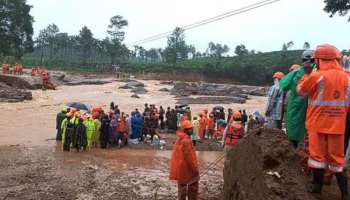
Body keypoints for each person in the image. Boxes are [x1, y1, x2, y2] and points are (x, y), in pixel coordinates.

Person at [297, 44, 350, 199]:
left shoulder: (316, 75)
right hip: (338, 124)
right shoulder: (346, 77)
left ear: (320, 59)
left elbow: (300, 91)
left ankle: (317, 191)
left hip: (317, 123)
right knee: (337, 160)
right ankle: (345, 194)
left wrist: (306, 74)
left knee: (317, 158)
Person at [279, 51, 313, 149]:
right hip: (311, 110)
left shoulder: (295, 73)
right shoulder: (318, 72)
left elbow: (283, 85)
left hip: (295, 108)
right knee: (307, 137)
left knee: (293, 135)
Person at [170, 120, 199, 200]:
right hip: (187, 169)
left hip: (180, 168)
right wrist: (196, 169)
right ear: (185, 130)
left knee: (182, 188)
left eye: (192, 128)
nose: (192, 130)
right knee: (193, 187)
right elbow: (191, 158)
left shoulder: (179, 138)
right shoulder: (187, 141)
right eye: (190, 129)